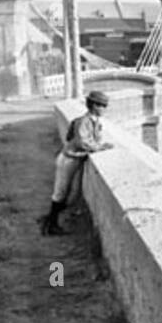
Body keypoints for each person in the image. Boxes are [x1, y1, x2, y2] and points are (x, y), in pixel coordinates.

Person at [40, 90, 113, 235]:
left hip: (76, 159)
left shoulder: (94, 121)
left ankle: (49, 219)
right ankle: (51, 226)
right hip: (68, 159)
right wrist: (99, 148)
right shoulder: (84, 121)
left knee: (73, 196)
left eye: (105, 106)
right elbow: (82, 142)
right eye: (100, 105)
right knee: (60, 193)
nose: (103, 109)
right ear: (92, 105)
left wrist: (99, 145)